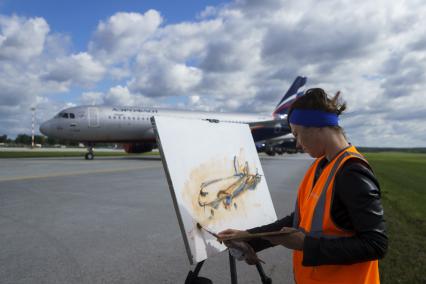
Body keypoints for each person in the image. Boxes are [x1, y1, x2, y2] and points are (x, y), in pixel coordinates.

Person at [218, 88, 387, 283]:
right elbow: (298, 219)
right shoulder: (321, 165)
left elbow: (376, 244)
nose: (297, 144)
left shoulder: (352, 172)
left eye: (297, 134)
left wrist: (305, 245)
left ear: (317, 127)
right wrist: (249, 237)